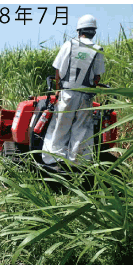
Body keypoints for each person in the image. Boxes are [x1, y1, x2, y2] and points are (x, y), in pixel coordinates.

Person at [43, 14, 105, 168]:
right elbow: (97, 76)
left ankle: (54, 160)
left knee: (60, 127)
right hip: (85, 97)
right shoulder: (97, 50)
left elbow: (58, 70)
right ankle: (77, 162)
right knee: (81, 130)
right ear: (94, 32)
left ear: (79, 30)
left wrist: (58, 90)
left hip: (67, 94)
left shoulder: (69, 45)